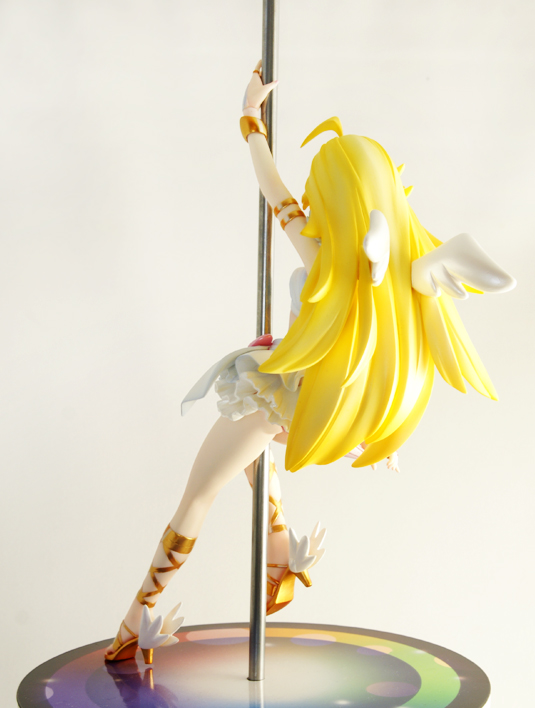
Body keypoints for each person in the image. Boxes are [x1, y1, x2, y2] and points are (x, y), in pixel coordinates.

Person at [105, 63, 515, 663]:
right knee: (253, 466)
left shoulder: (324, 255)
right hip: (303, 395)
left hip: (283, 393)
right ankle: (280, 561)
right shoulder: (402, 275)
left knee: (197, 495)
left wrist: (250, 120)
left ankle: (134, 620)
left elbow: (273, 188)